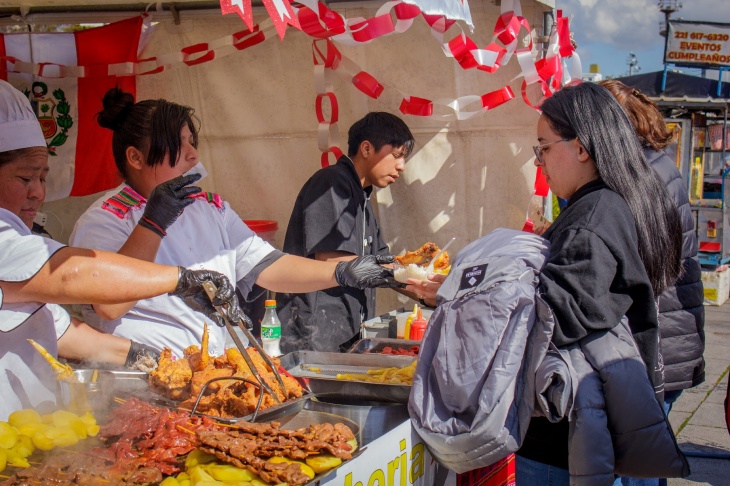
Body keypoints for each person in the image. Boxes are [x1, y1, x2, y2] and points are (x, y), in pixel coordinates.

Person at [69, 88, 394, 358]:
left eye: (192, 142)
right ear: (136, 158)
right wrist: (154, 221)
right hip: (143, 378)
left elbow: (268, 266)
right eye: (178, 144)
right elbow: (108, 306)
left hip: (215, 371)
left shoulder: (210, 208)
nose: (193, 155)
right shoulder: (105, 219)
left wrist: (342, 272)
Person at [0, 79, 239, 420]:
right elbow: (73, 273)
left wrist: (159, 361)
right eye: (25, 178)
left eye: (42, 177)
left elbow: (68, 334)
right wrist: (181, 279)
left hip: (30, 431)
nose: (38, 192)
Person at [515, 82, 683, 484]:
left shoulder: (592, 217)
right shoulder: (630, 196)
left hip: (565, 430)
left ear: (582, 148)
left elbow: (559, 315)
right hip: (612, 410)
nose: (540, 161)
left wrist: (466, 293)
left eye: (544, 147)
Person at [599, 80, 705, 486]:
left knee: (635, 463)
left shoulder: (638, 173)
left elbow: (635, 263)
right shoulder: (654, 163)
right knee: (645, 455)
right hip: (668, 338)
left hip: (656, 342)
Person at [276, 112, 444, 353]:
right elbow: (333, 261)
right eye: (396, 156)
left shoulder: (362, 200)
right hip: (313, 334)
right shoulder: (332, 183)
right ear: (366, 148)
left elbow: (386, 264)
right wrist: (399, 275)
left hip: (346, 332)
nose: (401, 166)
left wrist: (421, 288)